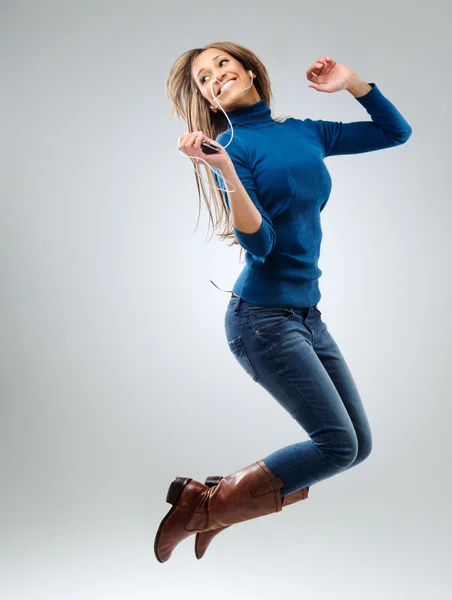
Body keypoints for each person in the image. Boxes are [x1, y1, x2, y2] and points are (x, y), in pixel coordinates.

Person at [154, 41, 412, 564]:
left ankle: (212, 502)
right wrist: (224, 170)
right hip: (261, 320)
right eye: (204, 79)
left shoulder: (306, 131)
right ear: (208, 98)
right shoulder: (230, 145)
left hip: (306, 317)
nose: (214, 78)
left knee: (356, 447)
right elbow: (260, 243)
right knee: (336, 446)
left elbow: (395, 132)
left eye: (221, 65)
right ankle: (204, 506)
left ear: (248, 70)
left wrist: (353, 82)